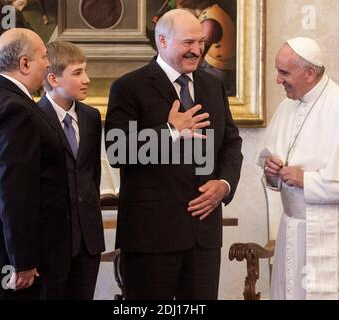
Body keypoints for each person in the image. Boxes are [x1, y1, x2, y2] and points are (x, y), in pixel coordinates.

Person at [104, 9, 243, 300]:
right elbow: (118, 151)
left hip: (203, 234)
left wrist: (224, 184)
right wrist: (170, 130)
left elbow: (231, 142)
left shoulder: (212, 85)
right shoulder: (129, 87)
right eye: (188, 42)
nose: (197, 50)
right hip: (151, 237)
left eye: (200, 42)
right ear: (162, 41)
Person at [258, 37, 339, 300]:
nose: (277, 80)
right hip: (295, 230)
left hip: (337, 232)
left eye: (284, 73)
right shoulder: (286, 107)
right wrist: (271, 172)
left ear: (310, 72)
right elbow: (271, 167)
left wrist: (307, 180)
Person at [0, 28, 71, 300]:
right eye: (44, 56)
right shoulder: (15, 108)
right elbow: (15, 190)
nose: (47, 64)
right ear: (24, 64)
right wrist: (22, 260)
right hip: (7, 257)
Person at [38, 41, 105, 299]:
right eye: (77, 73)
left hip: (89, 240)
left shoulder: (91, 117)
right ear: (53, 78)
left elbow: (91, 177)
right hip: (51, 242)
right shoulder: (33, 117)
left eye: (85, 71)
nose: (86, 79)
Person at [177, 0, 237, 96]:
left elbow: (197, 57)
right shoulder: (213, 11)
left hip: (218, 71)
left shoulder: (210, 20)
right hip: (212, 65)